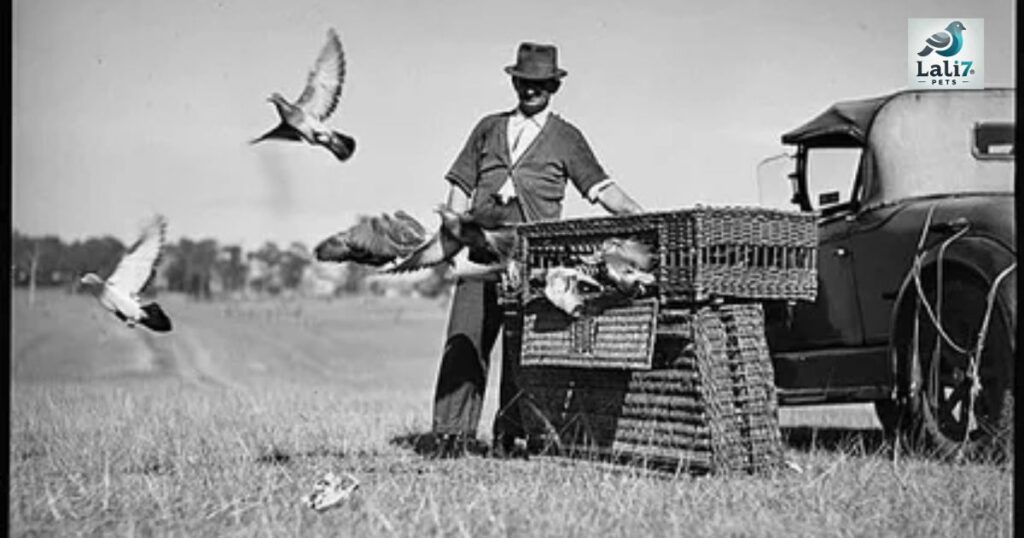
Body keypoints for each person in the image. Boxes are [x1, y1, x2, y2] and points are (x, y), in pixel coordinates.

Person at [430, 41, 644, 458]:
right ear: (514, 82)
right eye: (524, 82)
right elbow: (459, 186)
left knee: (523, 352)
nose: (531, 90)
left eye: (540, 84)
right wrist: (453, 246)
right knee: (464, 342)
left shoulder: (567, 137)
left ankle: (510, 438)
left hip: (533, 261)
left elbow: (603, 190)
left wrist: (640, 216)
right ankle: (450, 437)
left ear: (553, 87)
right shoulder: (488, 128)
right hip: (480, 253)